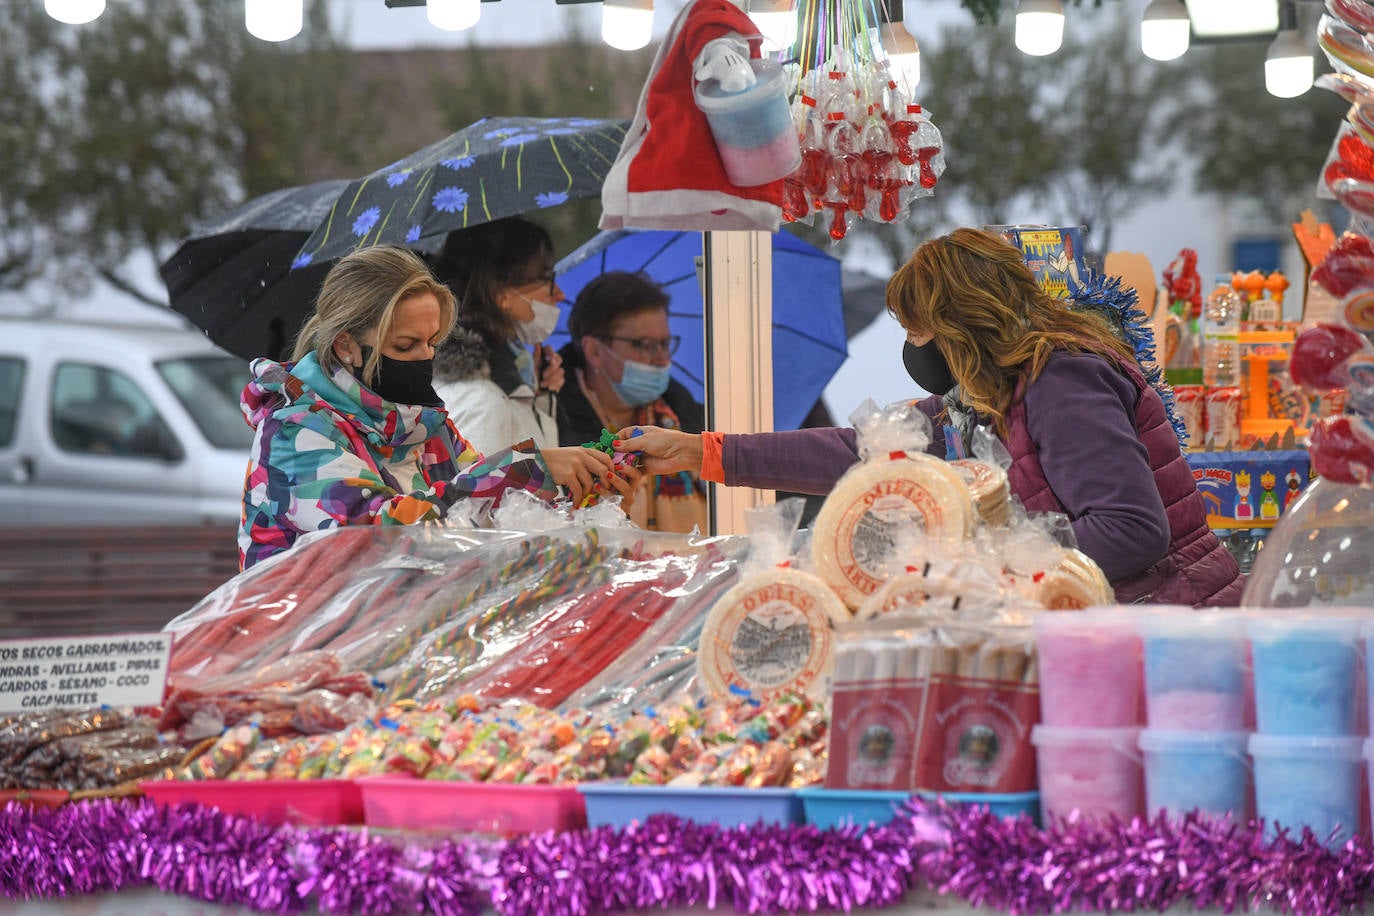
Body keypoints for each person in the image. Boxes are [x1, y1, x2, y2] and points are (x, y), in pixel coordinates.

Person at [615, 228, 1243, 607]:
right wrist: (704, 452)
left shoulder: (1063, 380)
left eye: (919, 330)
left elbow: (1133, 531)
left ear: (964, 326)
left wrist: (981, 563)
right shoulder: (979, 404)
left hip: (1170, 621)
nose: (913, 348)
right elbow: (856, 451)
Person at [239, 245, 631, 570]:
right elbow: (377, 537)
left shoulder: (424, 424)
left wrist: (577, 487)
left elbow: (487, 510)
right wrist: (523, 471)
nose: (424, 359)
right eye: (404, 347)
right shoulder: (294, 432)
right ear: (346, 347)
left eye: (431, 342)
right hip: (298, 643)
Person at [556, 271, 708, 532]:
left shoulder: (691, 418)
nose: (661, 358)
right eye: (645, 345)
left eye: (665, 344)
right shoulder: (552, 423)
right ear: (594, 351)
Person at [431, 217, 565, 455]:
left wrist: (540, 397)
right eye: (546, 280)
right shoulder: (476, 398)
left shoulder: (508, 374)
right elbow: (477, 490)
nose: (559, 294)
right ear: (500, 292)